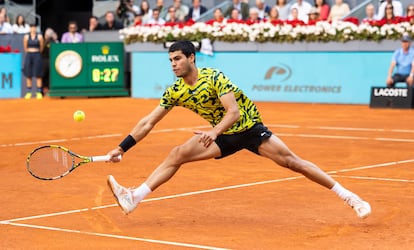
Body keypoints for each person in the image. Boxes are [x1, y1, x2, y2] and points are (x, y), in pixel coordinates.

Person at [106, 40, 372, 220]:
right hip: (222, 135)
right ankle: (134, 197)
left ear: (191, 58)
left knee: (294, 163)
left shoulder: (215, 77)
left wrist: (213, 132)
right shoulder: (175, 90)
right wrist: (122, 147)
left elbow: (233, 113)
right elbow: (148, 122)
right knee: (177, 154)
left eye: (177, 59)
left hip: (248, 129)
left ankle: (351, 198)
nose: (173, 64)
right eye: (170, 60)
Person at [23, 23, 44, 99]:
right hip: (29, 55)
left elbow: (42, 47)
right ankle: (29, 92)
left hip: (37, 55)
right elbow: (25, 47)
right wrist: (30, 52)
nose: (33, 29)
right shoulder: (26, 36)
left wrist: (36, 52)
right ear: (30, 28)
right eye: (32, 27)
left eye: (34, 27)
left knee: (38, 74)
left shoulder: (40, 36)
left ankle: (39, 92)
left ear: (36, 28)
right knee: (28, 74)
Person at [41, 27, 59, 96]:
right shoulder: (43, 42)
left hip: (51, 61)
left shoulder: (53, 42)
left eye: (47, 35)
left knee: (50, 76)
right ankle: (43, 91)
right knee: (44, 76)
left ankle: (49, 90)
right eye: (45, 34)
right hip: (44, 61)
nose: (46, 36)